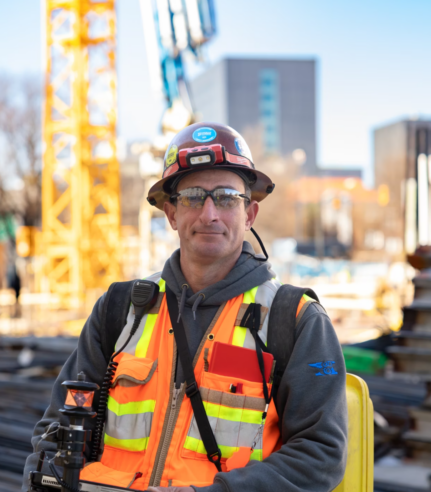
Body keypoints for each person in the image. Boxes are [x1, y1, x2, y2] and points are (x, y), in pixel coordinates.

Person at [24, 123, 348, 492]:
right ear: (172, 214)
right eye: (194, 196)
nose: (209, 214)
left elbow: (320, 455)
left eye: (226, 197)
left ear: (250, 215)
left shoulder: (295, 321)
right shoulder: (120, 310)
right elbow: (57, 430)